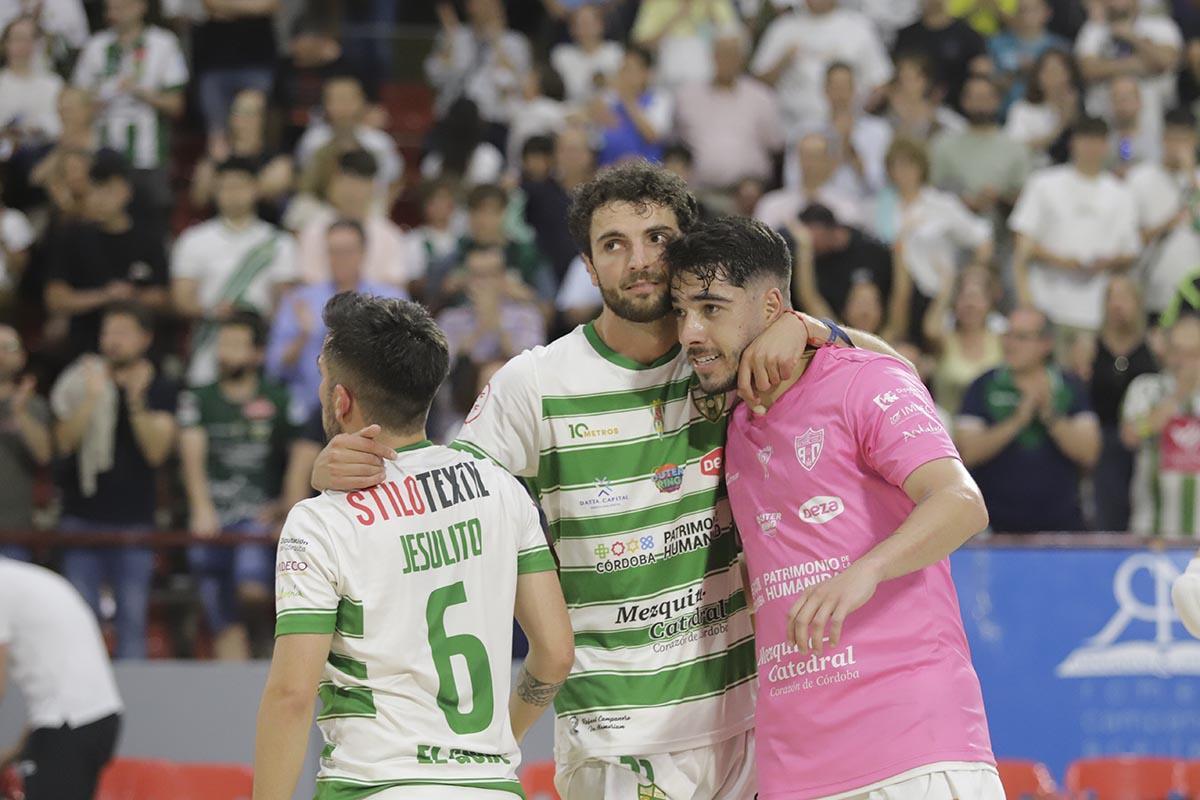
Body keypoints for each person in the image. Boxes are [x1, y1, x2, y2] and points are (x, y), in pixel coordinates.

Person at [308, 161, 907, 799]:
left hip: (752, 716)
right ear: (590, 269)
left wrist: (814, 327)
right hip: (618, 736)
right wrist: (339, 471)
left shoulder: (725, 354)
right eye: (614, 245)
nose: (640, 260)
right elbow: (448, 497)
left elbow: (893, 385)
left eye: (657, 239)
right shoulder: (535, 382)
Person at [666, 214, 1000, 800]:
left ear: (772, 307)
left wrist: (865, 571)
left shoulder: (862, 381)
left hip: (914, 750)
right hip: (794, 769)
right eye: (682, 312)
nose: (690, 331)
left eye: (711, 308)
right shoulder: (731, 421)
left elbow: (962, 502)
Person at [252, 292, 574, 800]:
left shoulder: (321, 521)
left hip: (374, 784)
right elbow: (555, 653)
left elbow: (292, 696)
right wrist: (497, 745)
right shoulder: (502, 489)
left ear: (341, 400)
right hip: (489, 786)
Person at [50, 301, 178, 657]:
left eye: (122, 333)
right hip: (81, 516)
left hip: (134, 521)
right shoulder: (79, 379)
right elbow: (61, 443)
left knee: (133, 620)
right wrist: (92, 398)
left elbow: (157, 452)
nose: (112, 341)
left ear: (145, 339)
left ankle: (132, 704)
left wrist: (135, 401)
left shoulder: (161, 386)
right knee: (79, 620)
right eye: (107, 332)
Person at [180, 311, 300, 661]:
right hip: (213, 517)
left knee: (251, 587)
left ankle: (265, 643)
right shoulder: (198, 398)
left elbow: (300, 455)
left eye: (235, 344)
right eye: (222, 344)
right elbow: (191, 454)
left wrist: (284, 505)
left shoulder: (278, 398)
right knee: (219, 611)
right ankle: (237, 681)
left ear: (257, 354)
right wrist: (200, 507)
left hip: (258, 519)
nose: (225, 352)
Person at [955, 307, 1101, 532]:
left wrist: (1049, 416)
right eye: (1008, 335)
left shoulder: (1068, 386)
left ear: (1046, 344)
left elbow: (1089, 453)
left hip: (1062, 527)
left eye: (1021, 337)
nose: (1011, 344)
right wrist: (1016, 422)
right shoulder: (983, 385)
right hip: (994, 527)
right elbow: (967, 452)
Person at [0, 558, 123, 800]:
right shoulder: (21, 579)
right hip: (96, 718)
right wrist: (16, 752)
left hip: (70, 725)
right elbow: (58, 681)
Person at [171, 156, 298, 387]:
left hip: (259, 348)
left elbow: (285, 301)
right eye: (225, 187)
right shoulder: (193, 240)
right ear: (215, 191)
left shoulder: (279, 242)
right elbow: (181, 299)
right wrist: (212, 310)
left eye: (240, 186)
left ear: (255, 189)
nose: (233, 193)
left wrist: (253, 318)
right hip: (210, 345)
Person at [1009, 116, 1140, 335]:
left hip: (1097, 309)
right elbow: (1022, 240)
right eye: (1085, 140)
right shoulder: (1043, 183)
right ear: (1073, 142)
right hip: (1046, 303)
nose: (1091, 148)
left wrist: (1106, 261)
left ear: (1106, 145)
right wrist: (1062, 261)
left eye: (1097, 141)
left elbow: (1131, 250)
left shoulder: (1121, 193)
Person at [268, 219, 406, 418]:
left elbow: (405, 360)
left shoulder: (391, 300)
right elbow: (274, 368)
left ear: (363, 252)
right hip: (310, 408)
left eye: (348, 251)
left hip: (374, 410)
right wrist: (303, 336)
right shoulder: (301, 300)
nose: (340, 259)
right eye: (333, 251)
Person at [71, 0, 188, 225]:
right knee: (100, 222)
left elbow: (176, 105)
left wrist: (140, 93)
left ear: (141, 6)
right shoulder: (96, 45)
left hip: (149, 155)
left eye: (121, 6)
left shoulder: (163, 43)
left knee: (152, 221)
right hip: (102, 152)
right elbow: (78, 101)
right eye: (110, 7)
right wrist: (102, 98)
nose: (114, 13)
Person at [44, 149, 169, 358]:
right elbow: (55, 298)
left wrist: (131, 296)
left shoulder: (149, 238)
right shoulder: (71, 237)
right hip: (84, 347)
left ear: (126, 191)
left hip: (141, 351)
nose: (102, 198)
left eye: (110, 189)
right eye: (96, 189)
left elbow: (162, 296)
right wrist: (105, 296)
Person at [871, 137, 992, 342]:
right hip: (894, 295)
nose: (902, 172)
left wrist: (973, 278)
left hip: (936, 294)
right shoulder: (879, 207)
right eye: (896, 165)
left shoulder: (941, 204)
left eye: (909, 164)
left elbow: (981, 239)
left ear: (921, 167)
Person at [750, 0, 893, 141]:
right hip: (794, 133)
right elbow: (756, 85)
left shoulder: (858, 26)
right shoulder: (782, 28)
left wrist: (858, 117)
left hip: (852, 133)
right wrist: (782, 62)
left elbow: (880, 82)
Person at [673, 25, 785, 200]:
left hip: (748, 194)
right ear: (712, 56)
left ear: (742, 58)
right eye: (721, 53)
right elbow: (676, 143)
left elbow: (776, 146)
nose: (726, 60)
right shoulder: (687, 96)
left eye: (732, 54)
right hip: (698, 192)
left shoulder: (761, 97)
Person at [1120, 313, 1200, 537]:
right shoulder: (1146, 388)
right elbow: (1130, 436)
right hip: (1153, 533)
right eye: (1177, 351)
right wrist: (1176, 398)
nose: (1183, 362)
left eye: (1192, 353)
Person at [295, 148, 412, 290]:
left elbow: (395, 289)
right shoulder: (314, 231)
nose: (353, 190)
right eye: (346, 181)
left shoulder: (390, 235)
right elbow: (309, 284)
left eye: (360, 183)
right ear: (333, 184)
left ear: (372, 187)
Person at [1092, 276, 1156, 531]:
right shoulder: (1089, 349)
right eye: (1112, 297)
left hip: (1143, 437)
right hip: (1103, 440)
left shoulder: (1153, 348)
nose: (1117, 305)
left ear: (1138, 303)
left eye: (1124, 297)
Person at [1074, 0, 1181, 149]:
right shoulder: (1093, 28)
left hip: (1154, 112)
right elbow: (1088, 70)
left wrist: (1131, 36)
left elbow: (1167, 61)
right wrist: (1143, 65)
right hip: (1103, 112)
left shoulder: (1160, 25)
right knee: (1116, 159)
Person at [785, 205, 904, 339]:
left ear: (882, 310)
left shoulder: (890, 338)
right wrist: (804, 247)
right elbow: (809, 297)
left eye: (872, 303)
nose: (865, 311)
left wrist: (899, 252)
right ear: (845, 311)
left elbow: (901, 298)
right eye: (858, 303)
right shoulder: (837, 337)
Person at [1127, 108, 1200, 322]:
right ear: (1162, 139)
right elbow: (1130, 239)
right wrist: (1166, 224)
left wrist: (1189, 175)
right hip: (1155, 290)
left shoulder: (1195, 179)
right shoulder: (1138, 179)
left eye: (1183, 139)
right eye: (1172, 139)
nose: (1177, 146)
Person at [929, 75, 1032, 228]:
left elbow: (1027, 199)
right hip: (949, 229)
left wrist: (1000, 198)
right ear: (964, 101)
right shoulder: (943, 144)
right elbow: (930, 191)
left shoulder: (1015, 147)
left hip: (1002, 230)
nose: (980, 103)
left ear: (997, 101)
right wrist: (962, 201)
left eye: (986, 97)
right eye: (975, 97)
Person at [295, 75, 403, 208]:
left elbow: (394, 182)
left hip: (368, 208)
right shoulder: (313, 140)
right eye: (337, 99)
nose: (343, 106)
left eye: (349, 99)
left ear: (362, 102)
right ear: (325, 104)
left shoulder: (379, 141)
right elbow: (305, 181)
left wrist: (381, 209)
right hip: (321, 208)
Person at [189, 88, 294, 224]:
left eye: (249, 112)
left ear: (264, 118)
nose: (241, 118)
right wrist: (213, 162)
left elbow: (252, 195)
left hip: (262, 233)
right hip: (220, 232)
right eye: (236, 111)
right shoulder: (216, 156)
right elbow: (198, 199)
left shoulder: (279, 160)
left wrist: (224, 185)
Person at [0, 326, 51, 561]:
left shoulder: (34, 406)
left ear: (21, 357)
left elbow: (43, 455)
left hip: (14, 530)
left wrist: (19, 414)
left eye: (7, 348)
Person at [925, 266, 1004, 416]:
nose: (970, 304)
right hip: (947, 426)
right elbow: (930, 329)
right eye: (964, 298)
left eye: (977, 298)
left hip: (989, 427)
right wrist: (946, 290)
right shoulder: (946, 341)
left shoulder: (1000, 340)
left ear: (989, 304)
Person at [893, 0, 989, 111]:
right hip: (912, 108)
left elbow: (980, 72)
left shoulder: (968, 35)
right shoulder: (906, 36)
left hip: (957, 110)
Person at [590, 46, 672, 166]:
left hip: (646, 172)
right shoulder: (608, 99)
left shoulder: (660, 98)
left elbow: (652, 135)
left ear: (646, 73)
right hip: (608, 170)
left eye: (629, 69)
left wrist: (627, 99)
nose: (623, 75)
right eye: (622, 69)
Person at [630, 0, 738, 91]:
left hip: (707, 78)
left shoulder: (713, 2)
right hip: (668, 76)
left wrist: (713, 21)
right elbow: (640, 43)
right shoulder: (656, 3)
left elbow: (733, 38)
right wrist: (675, 19)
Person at [1004, 48, 1083, 163]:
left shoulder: (1084, 108)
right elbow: (1017, 148)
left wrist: (1075, 117)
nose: (1053, 77)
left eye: (1059, 71)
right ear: (1037, 77)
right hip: (1036, 172)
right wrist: (1060, 127)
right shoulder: (1023, 109)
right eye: (1047, 71)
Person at [988, 0, 1069, 111]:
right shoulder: (996, 44)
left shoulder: (1060, 47)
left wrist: (1038, 71)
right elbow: (988, 82)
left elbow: (1068, 86)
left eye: (1033, 9)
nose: (1027, 15)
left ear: (1047, 13)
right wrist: (1013, 73)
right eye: (1022, 10)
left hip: (1047, 114)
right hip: (1004, 112)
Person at [0, 15, 64, 150]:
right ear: (6, 43)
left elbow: (60, 123)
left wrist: (39, 128)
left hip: (44, 150)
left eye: (29, 39)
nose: (23, 45)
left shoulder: (53, 83)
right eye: (18, 38)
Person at [551, 4, 623, 106]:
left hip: (609, 110)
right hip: (572, 110)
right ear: (572, 29)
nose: (585, 28)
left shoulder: (615, 51)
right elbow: (562, 91)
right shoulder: (562, 54)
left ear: (601, 25)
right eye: (580, 24)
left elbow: (620, 88)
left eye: (589, 23)